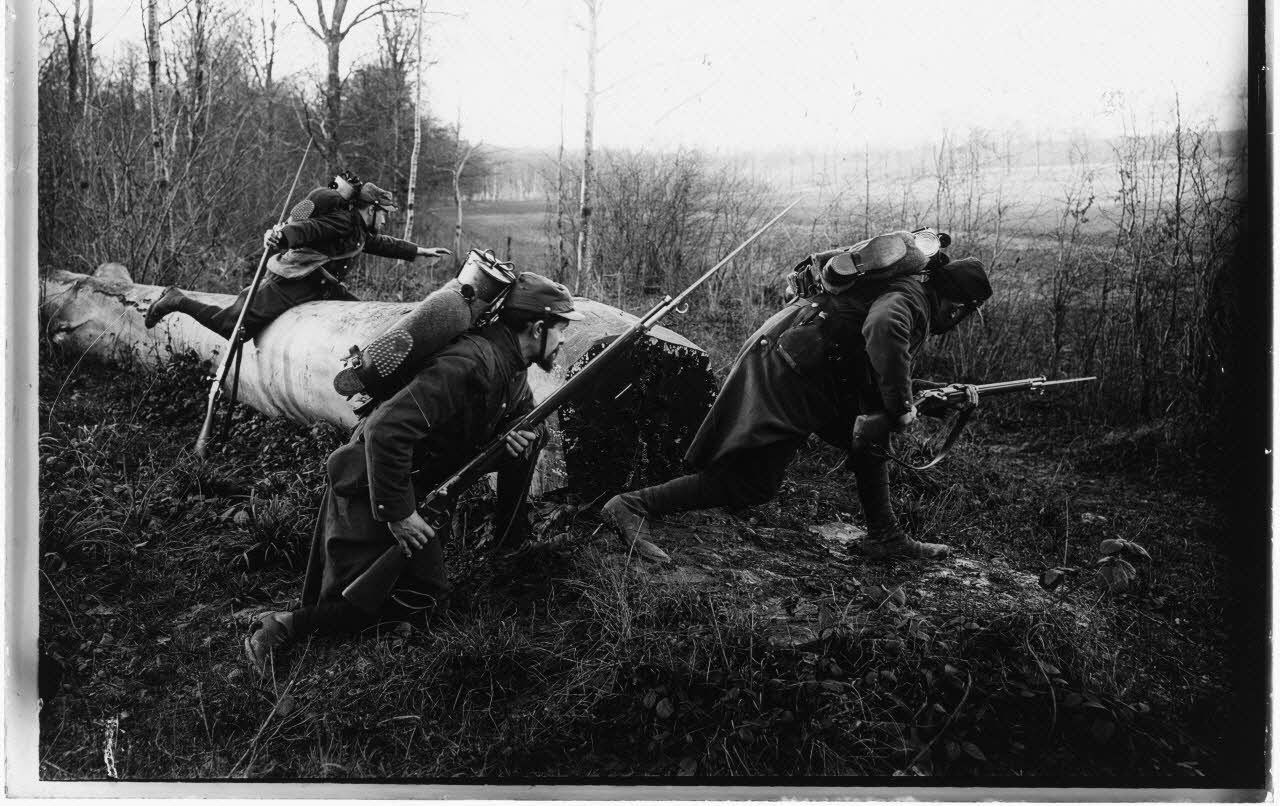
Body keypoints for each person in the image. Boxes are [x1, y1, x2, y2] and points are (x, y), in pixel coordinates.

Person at [243, 272, 583, 673]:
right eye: (560, 331)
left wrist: (523, 433)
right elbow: (386, 430)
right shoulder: (470, 363)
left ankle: (495, 550)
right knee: (359, 602)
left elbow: (526, 413)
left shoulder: (511, 366)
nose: (562, 342)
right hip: (373, 483)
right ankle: (281, 625)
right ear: (538, 328)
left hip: (414, 486)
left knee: (424, 600)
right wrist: (400, 515)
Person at [601, 239, 992, 564]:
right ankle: (633, 505)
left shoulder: (910, 290)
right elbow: (883, 328)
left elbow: (876, 363)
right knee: (752, 484)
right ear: (957, 307)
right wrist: (902, 405)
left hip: (805, 359)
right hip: (793, 372)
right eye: (962, 315)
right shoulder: (911, 301)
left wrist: (934, 395)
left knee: (870, 438)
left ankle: (885, 537)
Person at [144, 169, 452, 340]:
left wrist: (419, 251)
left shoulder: (357, 227)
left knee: (361, 324)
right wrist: (282, 236)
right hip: (293, 282)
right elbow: (309, 230)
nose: (384, 220)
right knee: (233, 328)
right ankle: (177, 299)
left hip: (321, 284)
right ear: (369, 209)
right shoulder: (344, 220)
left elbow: (378, 243)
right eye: (382, 214)